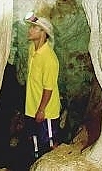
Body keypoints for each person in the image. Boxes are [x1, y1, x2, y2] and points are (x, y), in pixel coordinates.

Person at [23, 12, 61, 163]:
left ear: (43, 33)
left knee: (50, 143)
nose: (29, 30)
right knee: (35, 143)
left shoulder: (49, 58)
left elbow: (48, 88)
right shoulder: (32, 50)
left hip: (46, 112)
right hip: (31, 108)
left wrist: (41, 110)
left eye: (34, 28)